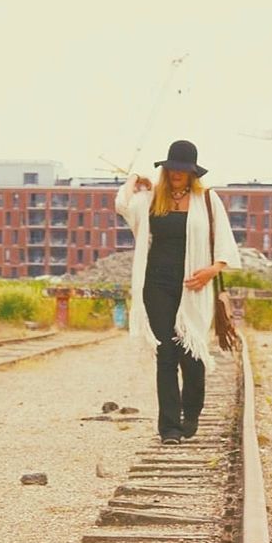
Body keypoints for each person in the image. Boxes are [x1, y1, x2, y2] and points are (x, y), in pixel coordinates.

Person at [115, 139, 242, 444]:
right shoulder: (150, 199)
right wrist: (136, 178)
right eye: (172, 169)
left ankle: (192, 412)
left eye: (183, 170)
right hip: (156, 285)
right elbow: (121, 203)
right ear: (166, 169)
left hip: (193, 286)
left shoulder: (208, 200)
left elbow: (225, 245)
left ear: (193, 173)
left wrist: (211, 271)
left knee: (191, 353)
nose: (177, 174)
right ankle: (169, 427)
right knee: (165, 354)